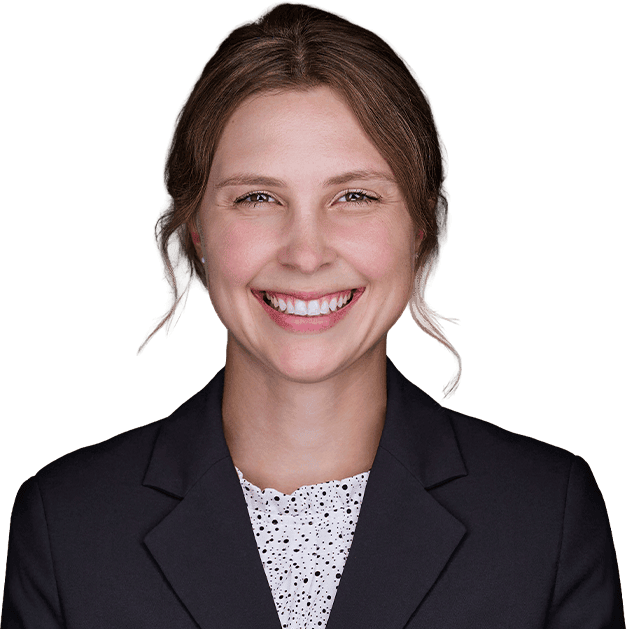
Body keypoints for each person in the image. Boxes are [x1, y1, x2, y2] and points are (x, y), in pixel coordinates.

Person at [2, 2, 624, 627]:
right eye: (257, 197)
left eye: (354, 196)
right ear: (196, 229)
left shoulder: (547, 516)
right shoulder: (66, 524)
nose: (305, 254)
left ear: (421, 228)